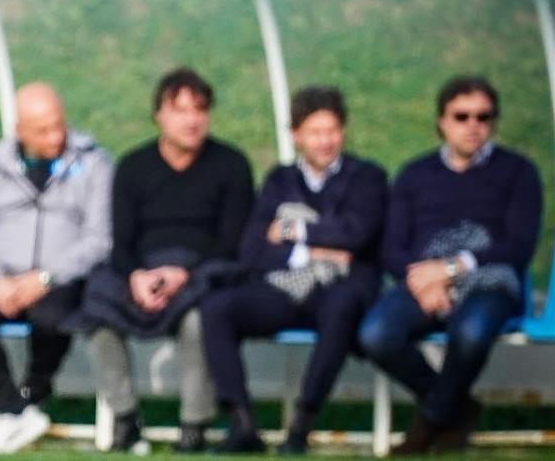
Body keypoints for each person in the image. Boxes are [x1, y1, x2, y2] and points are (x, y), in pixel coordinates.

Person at [358, 75, 543, 454]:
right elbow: (391, 246)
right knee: (375, 335)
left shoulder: (519, 172)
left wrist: (452, 269)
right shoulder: (414, 174)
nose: (473, 126)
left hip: (490, 280)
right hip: (421, 282)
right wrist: (424, 280)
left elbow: (519, 246)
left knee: (472, 333)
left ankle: (429, 423)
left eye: (483, 117)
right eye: (462, 116)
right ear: (441, 121)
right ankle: (457, 407)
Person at [199, 86, 387, 454]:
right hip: (286, 287)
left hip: (343, 288)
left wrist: (291, 231)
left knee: (341, 307)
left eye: (332, 131)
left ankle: (301, 424)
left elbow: (357, 234)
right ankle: (241, 423)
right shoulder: (279, 181)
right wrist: (313, 253)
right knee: (217, 308)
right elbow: (253, 250)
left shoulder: (367, 177)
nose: (325, 141)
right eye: (315, 132)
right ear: (296, 135)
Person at [76, 67, 254, 454]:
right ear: (159, 115)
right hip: (144, 268)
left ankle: (194, 424)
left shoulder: (232, 165)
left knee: (198, 318)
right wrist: (137, 277)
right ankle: (125, 420)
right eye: (180, 110)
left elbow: (232, 242)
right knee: (96, 312)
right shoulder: (133, 166)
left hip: (205, 270)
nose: (191, 120)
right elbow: (120, 242)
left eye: (200, 110)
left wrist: (181, 274)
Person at [0, 82, 113, 454]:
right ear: (19, 130)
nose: (55, 136)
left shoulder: (93, 162)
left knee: (51, 319)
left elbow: (99, 239)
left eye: (59, 125)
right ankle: (11, 408)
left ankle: (32, 395)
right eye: (42, 130)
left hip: (60, 276)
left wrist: (45, 277)